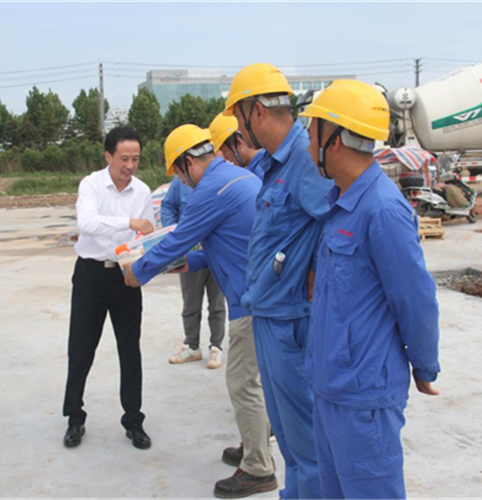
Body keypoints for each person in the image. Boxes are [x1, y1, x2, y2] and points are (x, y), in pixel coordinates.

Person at [300, 80, 441, 499]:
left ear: (335, 138)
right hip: (329, 388)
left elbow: (415, 300)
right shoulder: (341, 202)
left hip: (364, 399)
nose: (308, 146)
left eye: (312, 134)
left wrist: (424, 365)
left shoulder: (382, 210)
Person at [124, 125, 278, 499]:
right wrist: (188, 264)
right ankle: (253, 444)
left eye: (179, 174)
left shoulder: (211, 189)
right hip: (265, 292)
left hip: (251, 300)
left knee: (243, 382)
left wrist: (138, 271)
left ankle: (258, 468)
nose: (182, 181)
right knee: (257, 381)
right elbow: (227, 243)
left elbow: (177, 238)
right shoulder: (237, 177)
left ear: (188, 163)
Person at [223, 63, 333, 499]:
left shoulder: (303, 157)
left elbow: (334, 225)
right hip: (269, 313)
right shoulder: (273, 163)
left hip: (290, 321)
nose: (237, 128)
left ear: (256, 111)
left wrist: (312, 279)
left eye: (237, 117)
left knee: (306, 444)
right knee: (288, 440)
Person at [62, 126, 154, 450]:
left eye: (136, 159)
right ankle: (74, 418)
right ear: (108, 156)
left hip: (126, 277)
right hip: (91, 275)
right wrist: (127, 222)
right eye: (124, 158)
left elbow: (144, 237)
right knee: (81, 349)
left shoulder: (142, 192)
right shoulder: (91, 185)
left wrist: (139, 268)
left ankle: (134, 420)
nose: (130, 165)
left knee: (130, 349)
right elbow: (87, 223)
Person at [161, 176, 226, 368]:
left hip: (217, 253)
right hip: (190, 253)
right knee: (190, 302)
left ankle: (216, 347)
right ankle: (192, 346)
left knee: (217, 303)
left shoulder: (222, 179)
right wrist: (175, 233)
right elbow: (167, 206)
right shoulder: (180, 182)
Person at [208, 113, 266, 180]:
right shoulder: (264, 162)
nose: (226, 158)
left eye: (225, 152)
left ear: (239, 143)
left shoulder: (260, 173)